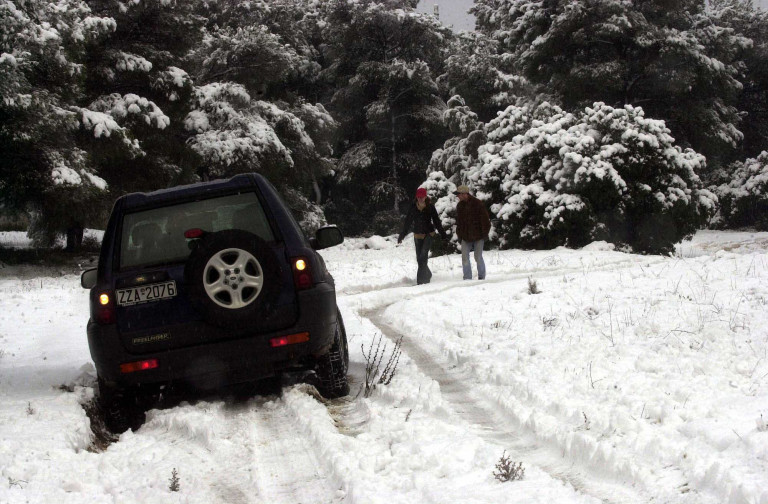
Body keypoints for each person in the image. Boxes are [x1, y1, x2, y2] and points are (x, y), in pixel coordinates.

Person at [397, 187, 449, 285]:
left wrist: (443, 234)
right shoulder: (413, 207)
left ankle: (421, 281)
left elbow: (436, 221)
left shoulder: (430, 207)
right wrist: (402, 235)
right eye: (419, 197)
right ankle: (427, 274)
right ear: (416, 197)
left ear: (425, 197)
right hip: (417, 235)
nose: (420, 199)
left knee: (423, 256)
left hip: (428, 234)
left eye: (422, 197)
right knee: (419, 259)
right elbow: (408, 222)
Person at [454, 185, 491, 280]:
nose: (458, 196)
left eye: (459, 194)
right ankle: (467, 278)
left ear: (464, 194)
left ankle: (481, 277)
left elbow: (485, 220)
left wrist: (485, 234)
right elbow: (459, 222)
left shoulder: (478, 204)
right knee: (464, 258)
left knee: (478, 257)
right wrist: (459, 235)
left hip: (479, 236)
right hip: (465, 237)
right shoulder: (459, 206)